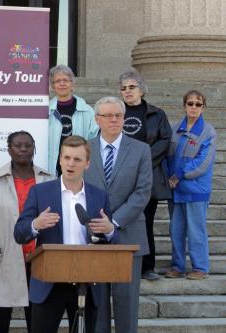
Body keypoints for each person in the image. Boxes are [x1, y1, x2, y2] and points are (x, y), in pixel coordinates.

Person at [14, 135, 115, 333]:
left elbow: (110, 241)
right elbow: (19, 233)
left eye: (77, 159)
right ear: (60, 160)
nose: (70, 163)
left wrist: (110, 230)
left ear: (87, 164)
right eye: (66, 158)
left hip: (87, 281)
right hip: (49, 281)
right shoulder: (40, 192)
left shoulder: (99, 196)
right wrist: (36, 224)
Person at [0, 131, 54, 333]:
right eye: (18, 145)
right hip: (5, 256)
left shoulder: (49, 179)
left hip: (39, 256)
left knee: (37, 314)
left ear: (34, 148)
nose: (23, 149)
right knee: (0, 313)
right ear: (9, 150)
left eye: (28, 145)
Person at [83, 97, 152, 333]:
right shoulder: (84, 149)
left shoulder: (141, 149)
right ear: (97, 119)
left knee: (127, 304)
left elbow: (143, 192)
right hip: (93, 237)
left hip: (129, 236)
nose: (114, 120)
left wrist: (112, 223)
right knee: (98, 307)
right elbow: (76, 188)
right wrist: (94, 223)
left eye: (118, 115)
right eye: (108, 115)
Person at [118, 69, 172, 281]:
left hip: (148, 176)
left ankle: (147, 266)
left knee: (146, 221)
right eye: (123, 88)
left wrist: (143, 158)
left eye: (132, 87)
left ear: (141, 89)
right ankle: (123, 263)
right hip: (121, 176)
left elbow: (165, 140)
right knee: (122, 221)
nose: (127, 91)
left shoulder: (156, 114)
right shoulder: (117, 112)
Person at [165, 90, 216, 280]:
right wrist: (168, 177)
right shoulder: (174, 128)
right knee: (176, 229)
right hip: (175, 189)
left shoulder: (208, 132)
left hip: (195, 189)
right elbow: (166, 155)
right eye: (190, 103)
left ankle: (200, 268)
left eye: (198, 104)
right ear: (184, 105)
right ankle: (177, 266)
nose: (194, 107)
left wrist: (178, 175)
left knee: (196, 230)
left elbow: (203, 163)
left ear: (204, 107)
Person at [48, 65, 98, 175]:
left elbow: (94, 140)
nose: (62, 83)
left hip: (78, 165)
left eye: (65, 80)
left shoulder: (87, 111)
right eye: (57, 81)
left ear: (72, 84)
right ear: (53, 86)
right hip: (53, 166)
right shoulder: (46, 111)